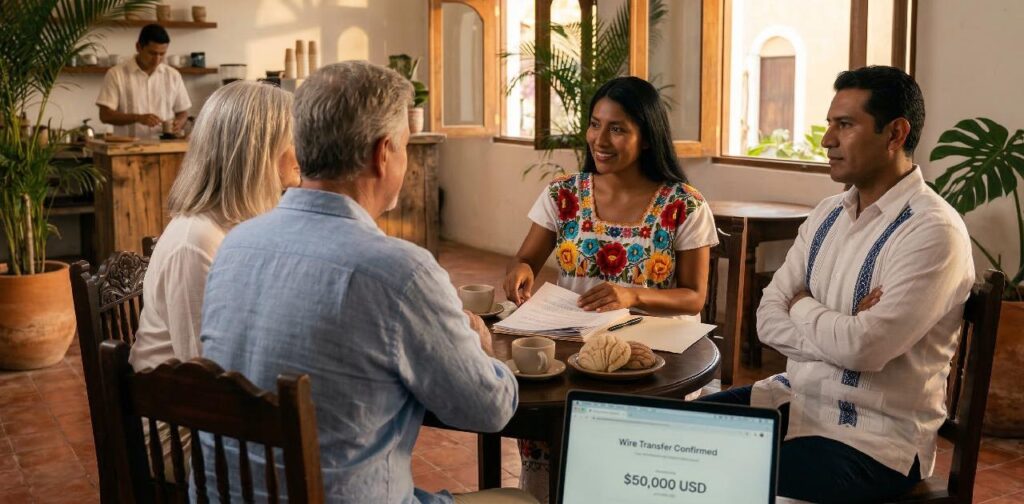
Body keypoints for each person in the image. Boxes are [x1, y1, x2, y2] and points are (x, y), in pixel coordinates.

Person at [198, 61, 534, 504]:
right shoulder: (400, 271)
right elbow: (489, 410)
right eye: (406, 147)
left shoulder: (236, 243)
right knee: (520, 500)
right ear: (383, 153)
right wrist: (481, 349)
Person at [700, 66, 975, 503]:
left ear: (895, 134)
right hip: (794, 402)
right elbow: (766, 319)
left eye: (844, 125)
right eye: (830, 124)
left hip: (873, 443)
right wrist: (842, 329)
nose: (827, 139)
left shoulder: (932, 231)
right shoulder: (827, 214)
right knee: (670, 432)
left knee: (725, 476)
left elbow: (863, 349)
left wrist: (804, 306)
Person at [503, 76, 718, 501]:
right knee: (554, 462)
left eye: (618, 128)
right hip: (568, 356)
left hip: (643, 366)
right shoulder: (564, 194)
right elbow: (525, 258)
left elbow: (694, 296)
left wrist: (631, 294)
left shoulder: (684, 205)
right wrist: (520, 270)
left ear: (648, 137)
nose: (601, 139)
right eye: (595, 124)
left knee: (625, 475)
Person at [129, 80, 300, 478]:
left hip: (207, 411)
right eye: (295, 137)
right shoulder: (199, 241)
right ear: (259, 150)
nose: (303, 150)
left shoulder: (235, 224)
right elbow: (210, 380)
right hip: (180, 432)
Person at [96, 24, 191, 138]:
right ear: (138, 47)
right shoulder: (116, 74)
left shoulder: (173, 75)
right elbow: (105, 115)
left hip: (165, 148)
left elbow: (183, 112)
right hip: (127, 151)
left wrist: (179, 123)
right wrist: (138, 118)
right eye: (152, 53)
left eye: (162, 54)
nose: (157, 60)